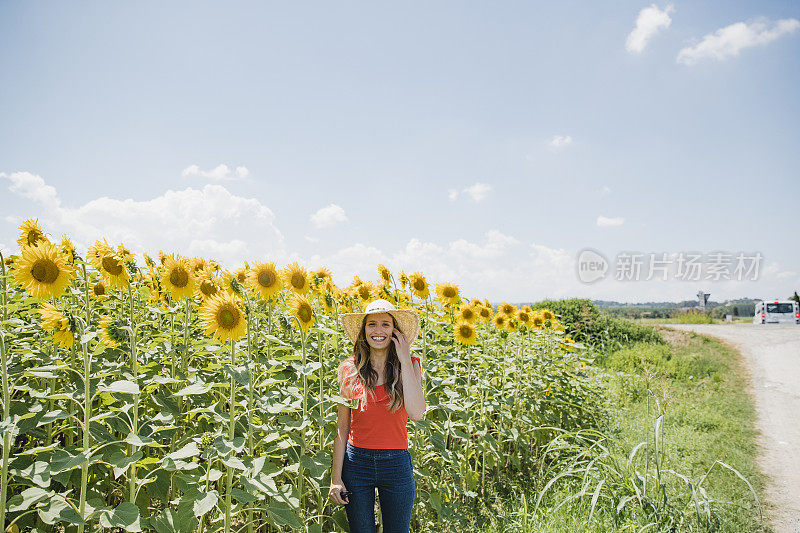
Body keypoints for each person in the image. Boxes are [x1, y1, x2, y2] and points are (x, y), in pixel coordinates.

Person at [328, 299, 426, 533]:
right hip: (356, 464)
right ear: (363, 330)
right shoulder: (349, 369)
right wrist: (335, 478)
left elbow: (416, 413)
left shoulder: (411, 365)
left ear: (395, 331)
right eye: (372, 324)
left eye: (385, 324)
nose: (378, 331)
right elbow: (342, 428)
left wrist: (403, 357)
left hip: (396, 463)